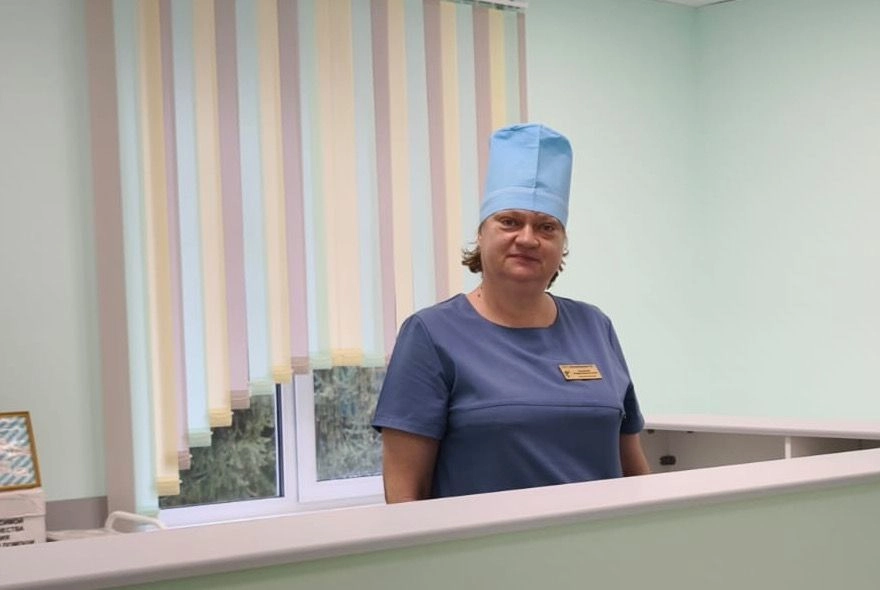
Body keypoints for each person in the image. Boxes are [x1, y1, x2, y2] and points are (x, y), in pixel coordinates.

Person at [371, 123, 650, 503]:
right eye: (510, 222)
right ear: (481, 233)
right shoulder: (431, 334)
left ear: (562, 244)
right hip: (486, 542)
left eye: (547, 227)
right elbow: (406, 493)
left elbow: (633, 470)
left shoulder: (595, 326)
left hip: (602, 538)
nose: (528, 238)